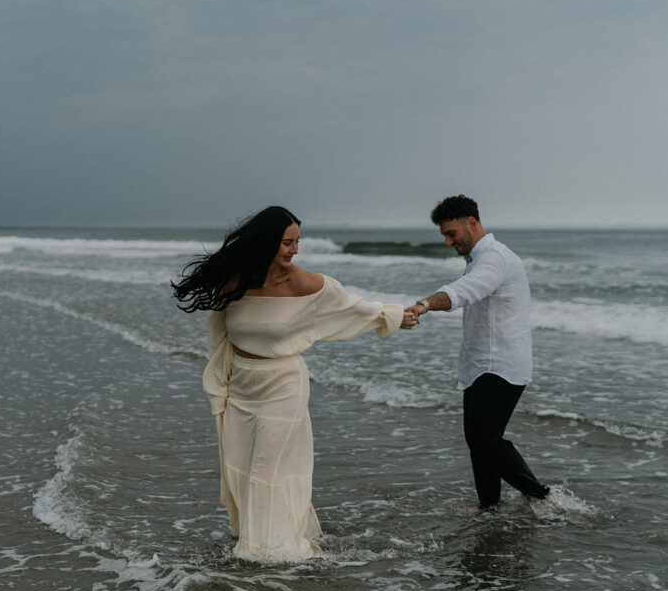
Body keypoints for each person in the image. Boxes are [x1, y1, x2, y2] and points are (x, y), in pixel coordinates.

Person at [173, 206, 418, 561]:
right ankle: (269, 537)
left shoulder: (303, 282)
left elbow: (351, 307)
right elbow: (221, 333)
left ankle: (261, 554)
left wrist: (392, 317)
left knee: (264, 470)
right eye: (288, 242)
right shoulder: (235, 280)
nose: (295, 249)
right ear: (267, 242)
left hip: (284, 385)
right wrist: (222, 386)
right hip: (241, 385)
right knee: (240, 467)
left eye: (297, 242)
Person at [405, 195, 551, 511]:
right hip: (482, 363)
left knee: (487, 440)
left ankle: (542, 498)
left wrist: (424, 305)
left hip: (500, 364)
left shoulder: (495, 258)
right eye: (443, 235)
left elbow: (462, 292)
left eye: (451, 233)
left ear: (471, 223)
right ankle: (489, 507)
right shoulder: (479, 260)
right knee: (478, 441)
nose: (447, 242)